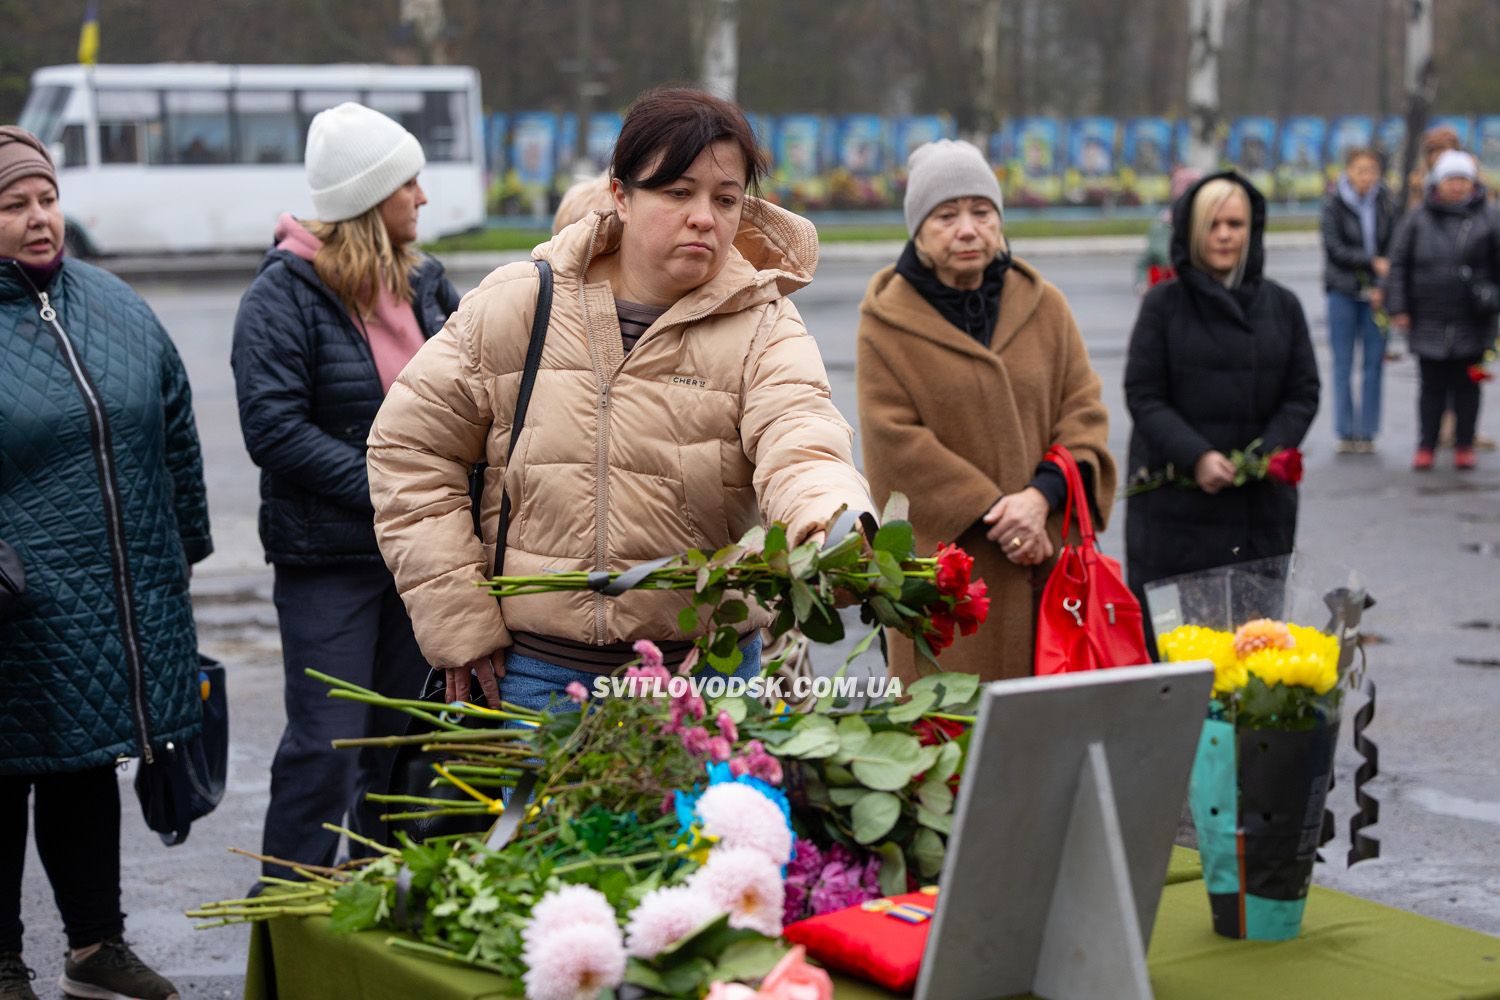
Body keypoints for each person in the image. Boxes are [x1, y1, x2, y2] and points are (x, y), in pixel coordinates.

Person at [366, 87, 872, 711]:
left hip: (705, 679)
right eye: (677, 192)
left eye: (725, 199)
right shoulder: (521, 303)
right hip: (540, 680)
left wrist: (830, 526)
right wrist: (457, 617)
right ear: (621, 196)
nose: (704, 218)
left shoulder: (765, 327)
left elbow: (803, 441)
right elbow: (409, 449)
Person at [0, 126, 209, 1000]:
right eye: (14, 205)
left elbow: (175, 431)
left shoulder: (114, 302)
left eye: (46, 199)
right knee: (4, 780)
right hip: (13, 602)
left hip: (103, 597)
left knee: (87, 767)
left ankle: (96, 947)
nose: (39, 218)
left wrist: (181, 552)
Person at [231, 103, 461, 879]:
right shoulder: (282, 296)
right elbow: (275, 432)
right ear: (368, 197)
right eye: (407, 183)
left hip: (417, 558)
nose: (422, 197)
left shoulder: (426, 283)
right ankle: (287, 911)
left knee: (402, 746)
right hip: (329, 561)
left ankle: (376, 902)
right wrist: (393, 489)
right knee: (326, 747)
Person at [856, 139, 1115, 684]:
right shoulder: (886, 322)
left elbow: (1084, 411)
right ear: (918, 230)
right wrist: (1003, 514)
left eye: (981, 212)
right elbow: (894, 443)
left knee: (1048, 721)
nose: (968, 229)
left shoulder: (1045, 306)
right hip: (951, 578)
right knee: (950, 724)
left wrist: (1040, 499)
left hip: (1048, 565)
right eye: (946, 216)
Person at [1124, 172, 1319, 619]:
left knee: (1253, 639)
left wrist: (1264, 454)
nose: (1225, 235)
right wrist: (1196, 456)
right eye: (1212, 224)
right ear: (1192, 230)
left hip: (1258, 507)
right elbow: (1144, 395)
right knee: (1180, 645)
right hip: (1177, 508)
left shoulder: (1283, 306)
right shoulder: (1163, 305)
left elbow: (1303, 392)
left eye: (1235, 224)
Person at [1385, 150, 1500, 472]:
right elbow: (1399, 265)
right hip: (1428, 317)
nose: (1457, 186)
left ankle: (1464, 444)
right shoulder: (1417, 219)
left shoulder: (1489, 218)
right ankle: (1426, 445)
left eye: (1463, 179)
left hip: (1473, 317)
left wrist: (1491, 296)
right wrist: (1399, 307)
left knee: (1468, 385)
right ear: (1438, 182)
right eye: (1451, 179)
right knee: (1431, 387)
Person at [1321, 147, 1397, 454]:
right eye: (1360, 170)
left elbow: (1394, 246)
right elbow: (1334, 248)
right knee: (1342, 364)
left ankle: (1367, 432)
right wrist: (1370, 262)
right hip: (1342, 291)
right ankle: (1345, 431)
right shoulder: (1333, 204)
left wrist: (1381, 285)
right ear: (1348, 171)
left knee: (1373, 364)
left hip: (1377, 296)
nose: (1366, 177)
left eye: (1371, 170)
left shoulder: (1386, 203)